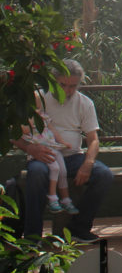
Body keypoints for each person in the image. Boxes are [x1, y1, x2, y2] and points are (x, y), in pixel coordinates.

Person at [12, 59, 113, 242]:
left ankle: (79, 229)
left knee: (104, 175)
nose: (68, 90)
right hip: (43, 156)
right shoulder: (38, 98)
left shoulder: (85, 103)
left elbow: (93, 139)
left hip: (73, 157)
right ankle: (32, 237)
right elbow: (15, 134)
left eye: (73, 86)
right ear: (53, 81)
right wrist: (30, 148)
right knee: (36, 174)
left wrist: (88, 163)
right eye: (63, 85)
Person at [21, 98, 79, 216]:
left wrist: (63, 142)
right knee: (55, 168)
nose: (36, 110)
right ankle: (52, 198)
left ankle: (65, 199)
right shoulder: (25, 120)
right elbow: (24, 130)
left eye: (37, 107)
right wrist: (31, 117)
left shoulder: (44, 117)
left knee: (62, 170)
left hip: (52, 147)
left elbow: (53, 131)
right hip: (41, 149)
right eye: (33, 107)